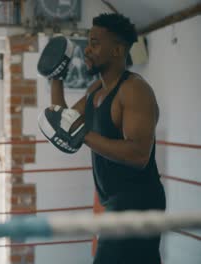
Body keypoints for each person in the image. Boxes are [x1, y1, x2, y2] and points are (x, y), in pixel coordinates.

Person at [37, 13, 166, 263]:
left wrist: (84, 134)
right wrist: (57, 78)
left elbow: (139, 155)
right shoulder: (95, 89)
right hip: (114, 201)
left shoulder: (134, 90)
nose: (87, 49)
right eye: (88, 42)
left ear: (117, 50)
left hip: (138, 202)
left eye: (95, 43)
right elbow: (66, 124)